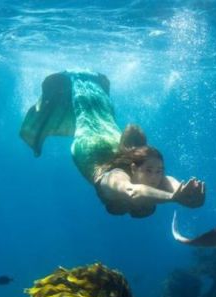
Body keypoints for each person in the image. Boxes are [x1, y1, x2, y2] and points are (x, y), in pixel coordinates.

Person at [19, 71, 205, 217]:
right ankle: (90, 85)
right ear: (135, 167)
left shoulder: (112, 180)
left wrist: (174, 197)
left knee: (86, 113)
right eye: (154, 171)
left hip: (90, 148)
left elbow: (133, 192)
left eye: (157, 172)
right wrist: (184, 192)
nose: (156, 177)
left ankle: (75, 81)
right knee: (105, 115)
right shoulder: (151, 178)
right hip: (113, 143)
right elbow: (170, 184)